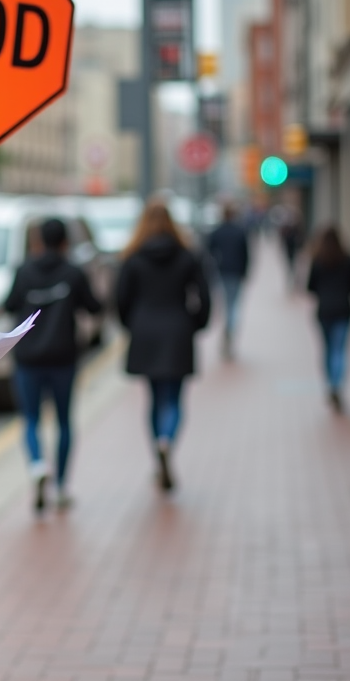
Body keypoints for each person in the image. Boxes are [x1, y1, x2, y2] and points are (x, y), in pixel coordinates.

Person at [3, 218, 102, 513]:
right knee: (64, 421)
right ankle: (61, 486)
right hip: (63, 358)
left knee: (31, 419)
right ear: (64, 242)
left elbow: (9, 304)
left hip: (28, 358)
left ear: (39, 241)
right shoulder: (73, 272)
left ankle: (36, 464)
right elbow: (94, 306)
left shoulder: (24, 271)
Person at [116, 198, 211, 493]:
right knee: (175, 399)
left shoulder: (132, 257)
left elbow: (120, 301)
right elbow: (205, 297)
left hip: (145, 333)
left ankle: (158, 450)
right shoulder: (187, 255)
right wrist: (195, 323)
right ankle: (167, 440)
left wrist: (133, 325)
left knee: (155, 399)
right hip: (178, 331)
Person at [306, 226, 350, 413]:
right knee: (339, 350)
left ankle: (331, 384)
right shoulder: (348, 259)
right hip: (343, 310)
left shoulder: (317, 260)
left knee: (328, 350)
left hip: (324, 311)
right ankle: (337, 385)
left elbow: (310, 287)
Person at [206, 202, 250, 360]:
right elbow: (246, 254)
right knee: (233, 305)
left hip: (221, 272)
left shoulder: (216, 232)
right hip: (235, 273)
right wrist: (245, 272)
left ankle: (227, 329)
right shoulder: (240, 231)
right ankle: (230, 330)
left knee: (225, 304)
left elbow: (209, 251)